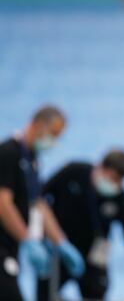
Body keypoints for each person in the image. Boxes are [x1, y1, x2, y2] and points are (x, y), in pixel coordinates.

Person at [37, 149, 124, 301]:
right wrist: (50, 239)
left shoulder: (119, 197)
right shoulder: (74, 172)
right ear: (100, 167)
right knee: (46, 294)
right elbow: (37, 199)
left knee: (96, 293)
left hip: (93, 258)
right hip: (59, 250)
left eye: (119, 181)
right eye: (112, 178)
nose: (115, 184)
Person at [0, 105, 85, 301]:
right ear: (38, 125)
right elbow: (2, 202)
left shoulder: (31, 160)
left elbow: (38, 203)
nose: (54, 141)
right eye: (53, 134)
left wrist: (61, 242)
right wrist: (27, 239)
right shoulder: (8, 153)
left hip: (10, 249)